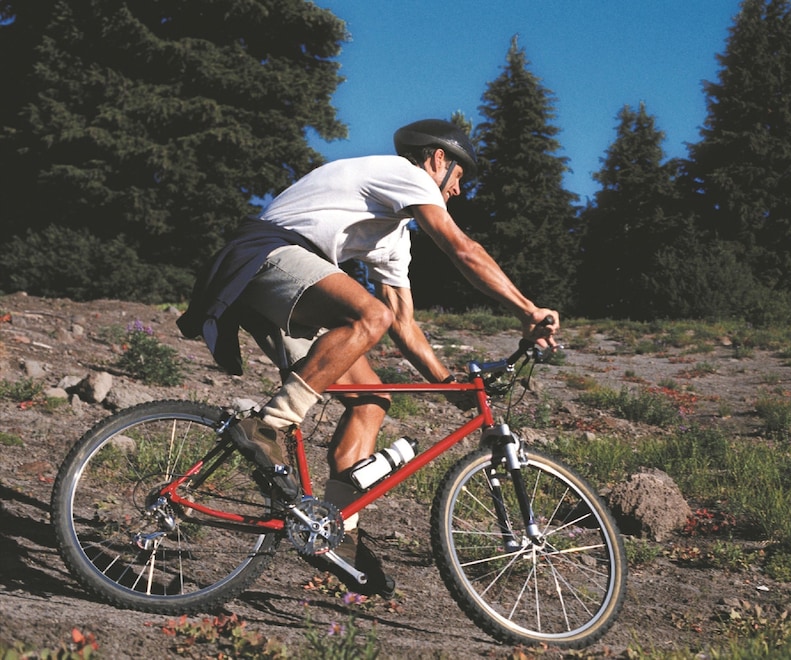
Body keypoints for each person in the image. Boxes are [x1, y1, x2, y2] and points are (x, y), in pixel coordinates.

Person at [177, 119, 559, 596]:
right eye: (458, 176)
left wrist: (447, 385)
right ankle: (268, 424)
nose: (457, 190)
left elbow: (404, 322)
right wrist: (527, 310)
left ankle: (337, 535)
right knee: (369, 314)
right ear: (437, 159)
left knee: (371, 401)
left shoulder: (394, 235)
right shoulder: (407, 175)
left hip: (282, 280)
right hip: (265, 255)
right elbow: (462, 249)